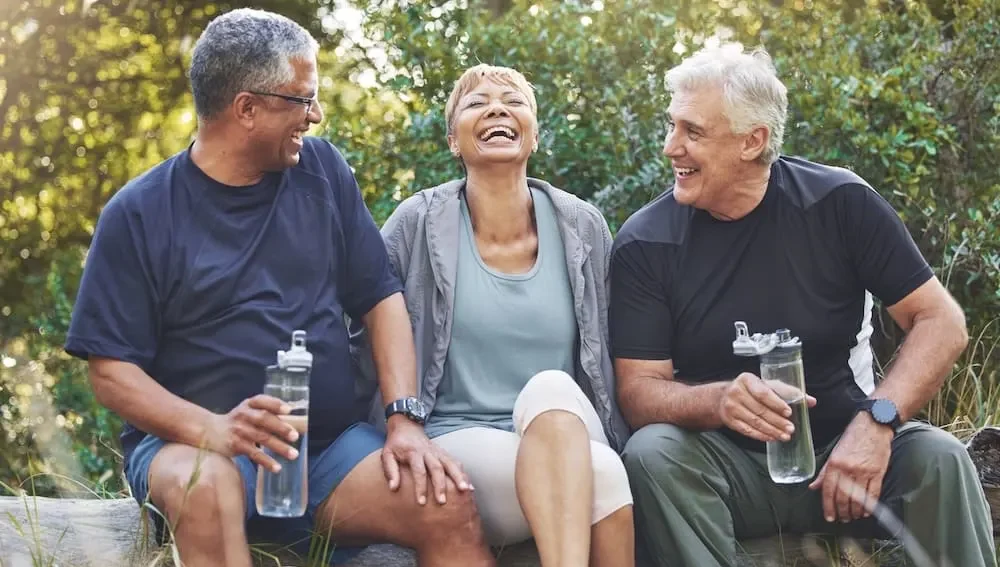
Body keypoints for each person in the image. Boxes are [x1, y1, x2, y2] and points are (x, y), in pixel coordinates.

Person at [64, 9, 496, 567]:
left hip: (327, 451)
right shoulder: (138, 213)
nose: (315, 115)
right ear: (247, 108)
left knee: (444, 500)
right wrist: (213, 429)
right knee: (204, 491)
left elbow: (380, 299)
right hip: (197, 448)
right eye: (302, 99)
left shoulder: (321, 171)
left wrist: (404, 420)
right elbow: (110, 373)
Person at [609, 44, 996, 567]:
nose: (669, 147)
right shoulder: (645, 241)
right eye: (672, 126)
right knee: (652, 454)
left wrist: (876, 424)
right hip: (726, 471)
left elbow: (941, 323)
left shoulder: (839, 203)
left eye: (692, 131)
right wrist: (716, 400)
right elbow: (638, 391)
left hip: (846, 454)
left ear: (753, 141)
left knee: (941, 458)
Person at [353, 64, 635, 567]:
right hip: (456, 436)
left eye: (513, 101)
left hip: (570, 425)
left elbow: (614, 346)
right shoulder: (415, 225)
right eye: (476, 102)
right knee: (606, 476)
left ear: (534, 133)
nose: (497, 108)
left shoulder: (582, 226)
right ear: (453, 140)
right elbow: (364, 323)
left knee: (551, 388)